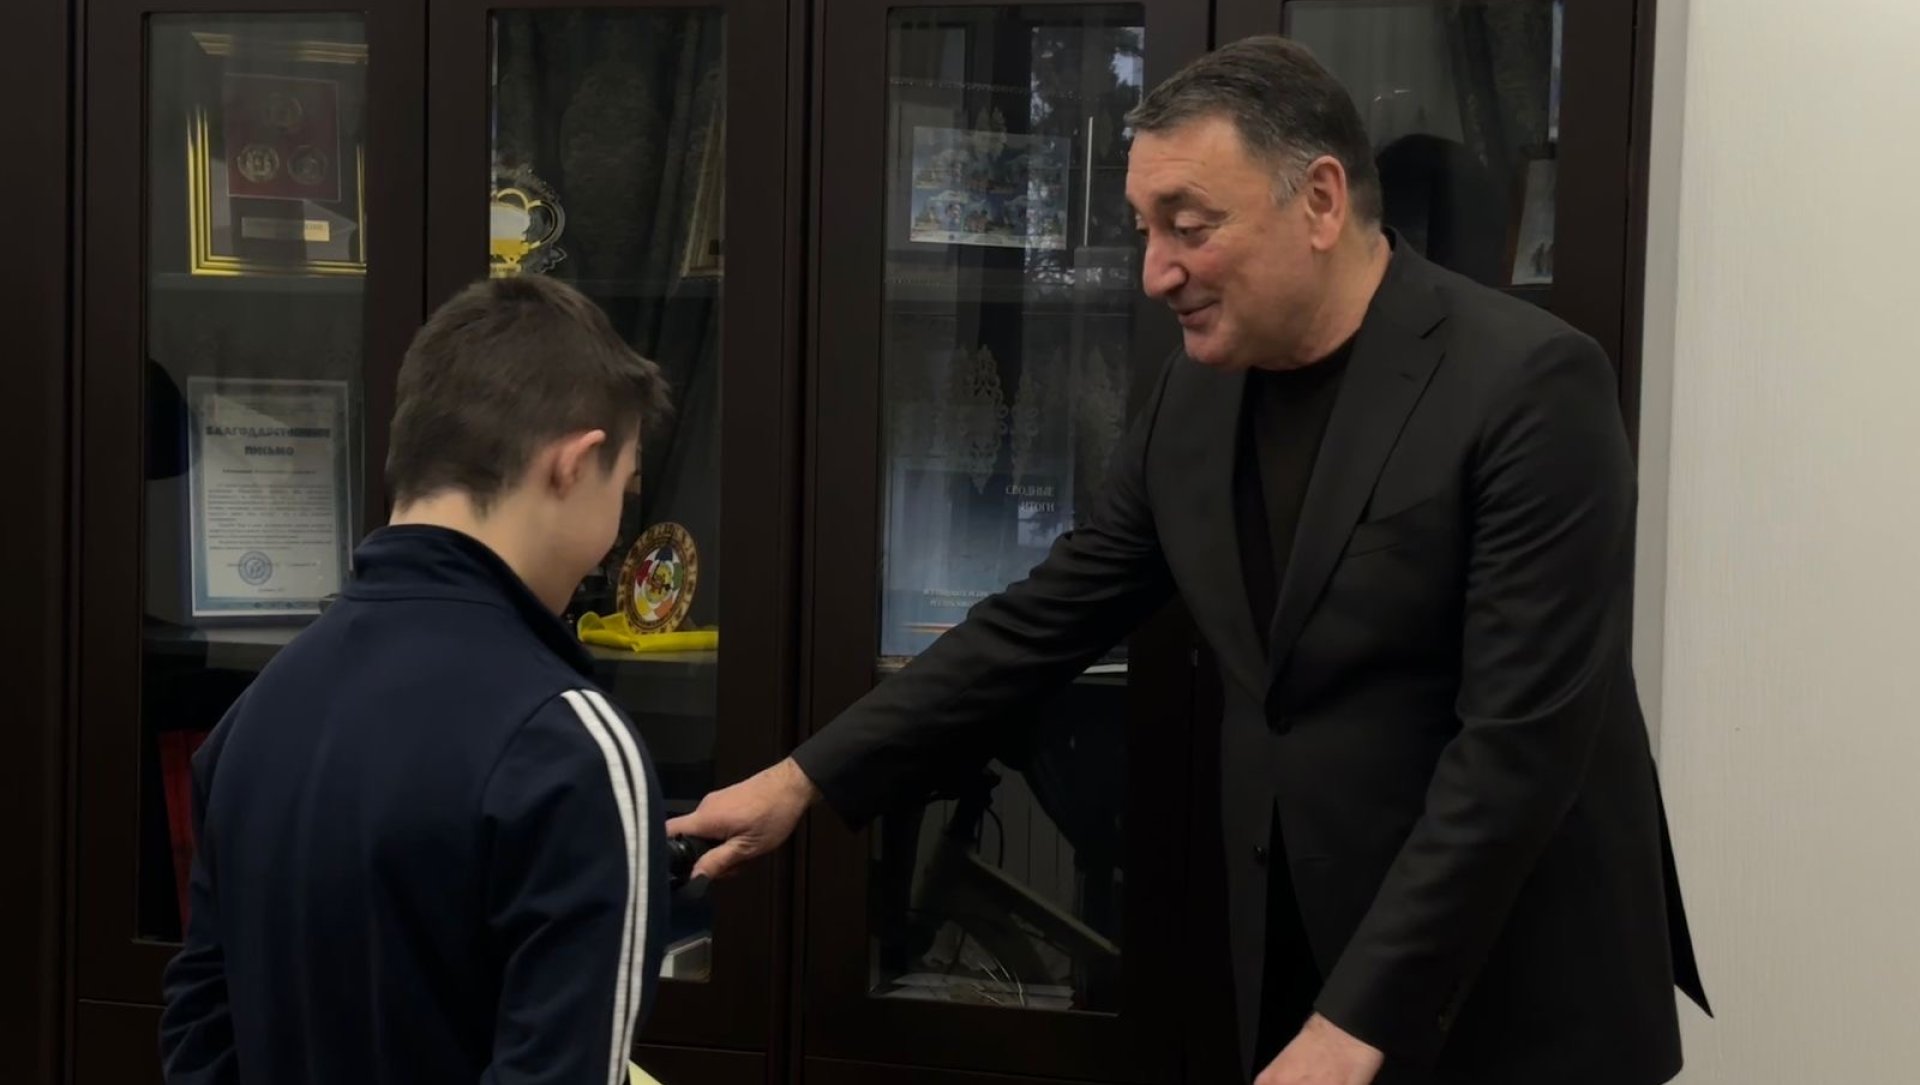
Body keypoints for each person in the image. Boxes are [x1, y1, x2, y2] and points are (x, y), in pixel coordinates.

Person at [671, 34, 1708, 1085]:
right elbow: (1047, 614)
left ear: (1320, 201)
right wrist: (804, 777)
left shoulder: (1529, 385)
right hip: (1299, 956)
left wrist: (1355, 1021)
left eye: (1190, 226)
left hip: (1512, 994)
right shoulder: (1195, 392)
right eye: (1144, 229)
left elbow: (1517, 749)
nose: (1156, 271)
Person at [160, 275, 673, 1085]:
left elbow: (199, 1030)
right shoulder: (568, 740)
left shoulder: (257, 711)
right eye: (626, 485)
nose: (615, 532)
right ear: (574, 464)